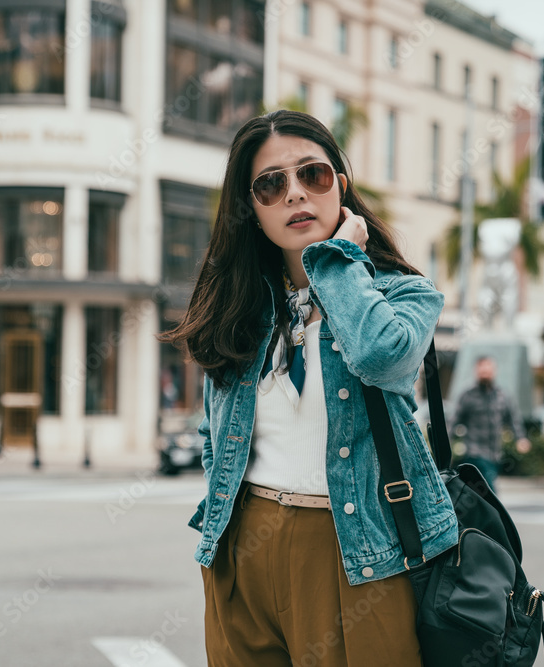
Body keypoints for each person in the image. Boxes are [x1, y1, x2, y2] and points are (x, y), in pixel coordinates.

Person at [160, 110, 457, 666]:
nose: (295, 193)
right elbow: (213, 432)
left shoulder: (404, 295)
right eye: (270, 185)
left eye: (312, 175)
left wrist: (337, 261)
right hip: (242, 550)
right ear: (252, 210)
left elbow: (379, 356)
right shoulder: (242, 311)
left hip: (355, 552)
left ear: (340, 187)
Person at [450, 355, 531, 494]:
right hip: (474, 453)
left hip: (495, 454)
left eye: (488, 370)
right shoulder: (468, 395)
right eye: (482, 370)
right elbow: (453, 421)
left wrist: (520, 438)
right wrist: (444, 445)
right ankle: (495, 508)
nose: (485, 373)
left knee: (480, 493)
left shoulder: (502, 395)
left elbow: (513, 419)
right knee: (491, 493)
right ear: (476, 371)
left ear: (494, 371)